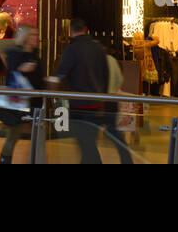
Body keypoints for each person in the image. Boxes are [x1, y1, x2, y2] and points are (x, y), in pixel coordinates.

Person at [53, 17, 132, 164]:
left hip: (79, 106)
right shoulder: (98, 48)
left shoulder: (71, 49)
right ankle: (126, 160)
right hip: (98, 104)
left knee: (86, 144)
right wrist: (102, 95)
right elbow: (106, 75)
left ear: (71, 31)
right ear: (86, 29)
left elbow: (60, 75)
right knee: (90, 142)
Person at [0, 24, 44, 163]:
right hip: (17, 105)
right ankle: (5, 160)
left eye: (37, 35)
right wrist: (22, 69)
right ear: (26, 37)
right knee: (13, 137)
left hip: (34, 104)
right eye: (33, 35)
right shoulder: (15, 53)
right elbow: (12, 73)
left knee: (34, 137)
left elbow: (39, 80)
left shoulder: (35, 54)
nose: (36, 38)